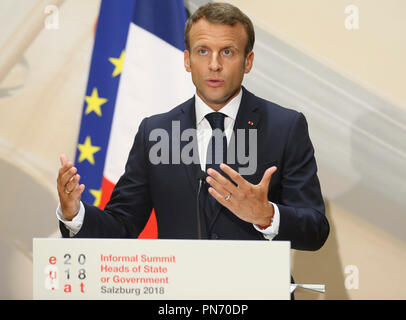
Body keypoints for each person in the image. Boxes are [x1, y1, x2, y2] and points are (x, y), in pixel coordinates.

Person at [57, 3, 329, 251]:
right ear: (187, 60)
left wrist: (267, 214)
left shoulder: (285, 127)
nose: (214, 65)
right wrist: (75, 214)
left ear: (248, 61)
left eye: (227, 52)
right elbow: (123, 225)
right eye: (203, 51)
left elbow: (315, 230)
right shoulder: (155, 133)